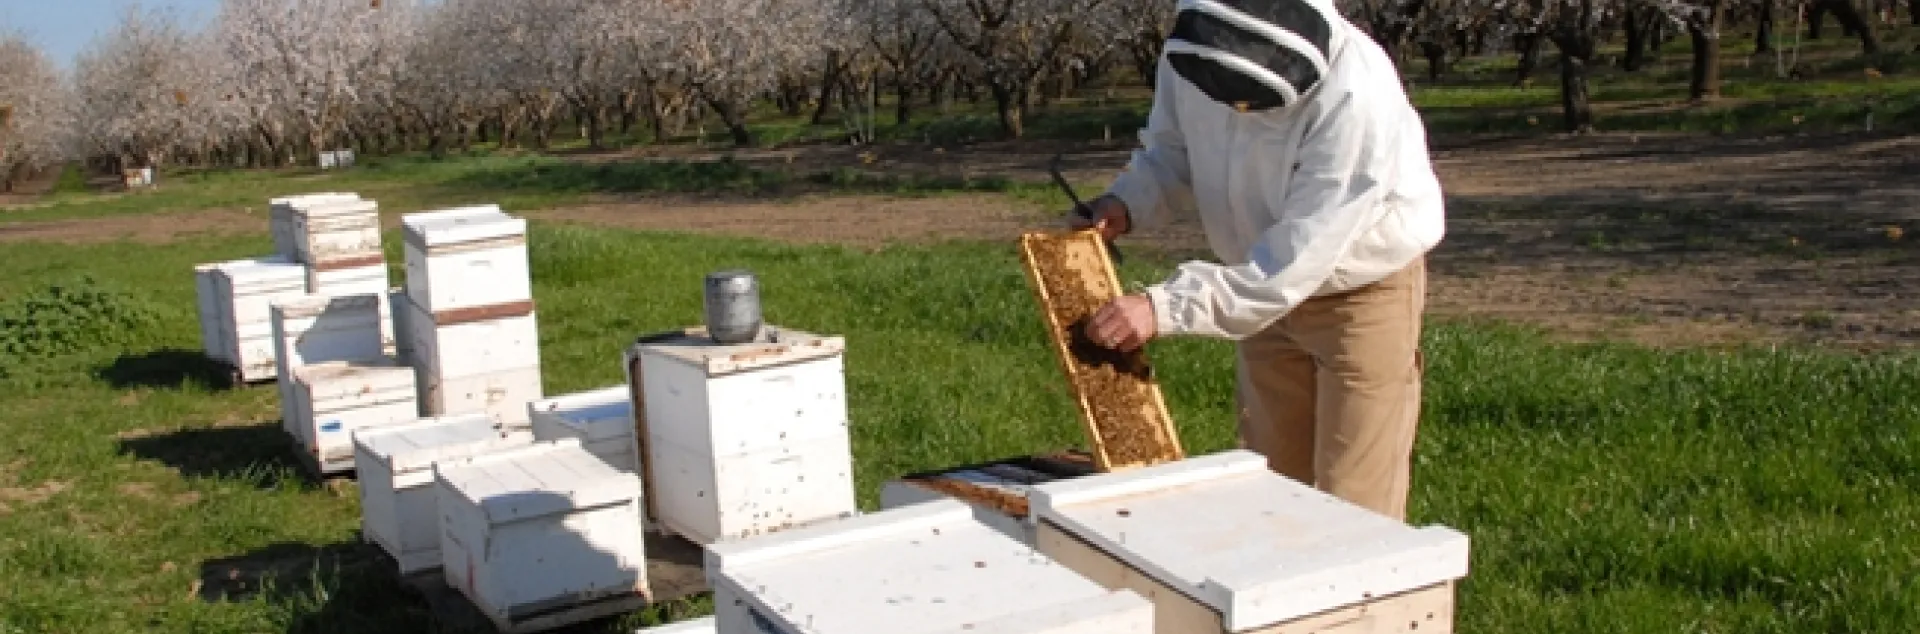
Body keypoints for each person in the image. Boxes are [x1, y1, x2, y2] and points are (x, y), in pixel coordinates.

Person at [1071, 0, 1446, 522]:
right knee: (1270, 488)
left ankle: (1357, 608)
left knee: (1356, 504)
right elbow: (1172, 153)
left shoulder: (1355, 93)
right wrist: (1124, 204)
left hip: (1359, 293)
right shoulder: (1197, 50)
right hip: (1254, 284)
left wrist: (1164, 307)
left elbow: (1294, 261)